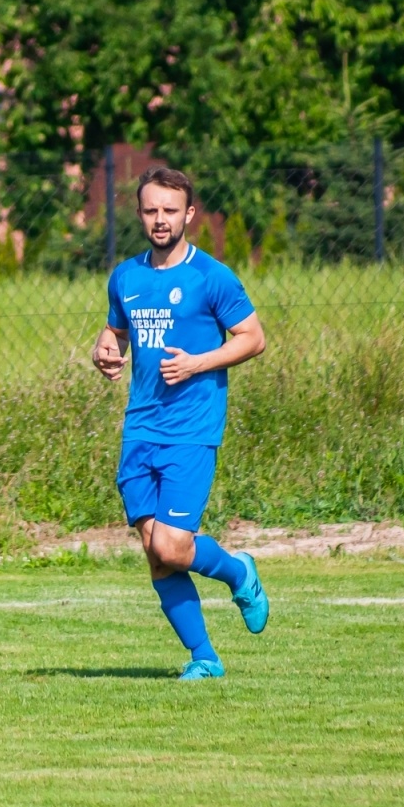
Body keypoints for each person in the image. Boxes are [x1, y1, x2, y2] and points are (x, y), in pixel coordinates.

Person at [91, 166, 271, 680]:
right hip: (139, 429)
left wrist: (197, 362)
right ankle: (205, 659)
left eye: (171, 210)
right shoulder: (126, 276)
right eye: (151, 210)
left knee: (171, 544)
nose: (160, 220)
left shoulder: (210, 277)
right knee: (156, 555)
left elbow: (252, 338)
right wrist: (106, 350)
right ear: (141, 214)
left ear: (189, 214)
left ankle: (239, 572)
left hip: (191, 430)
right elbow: (115, 333)